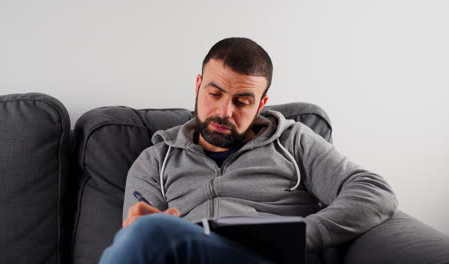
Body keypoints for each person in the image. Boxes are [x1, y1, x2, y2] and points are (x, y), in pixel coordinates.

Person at [99, 37, 398, 264]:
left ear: (260, 105)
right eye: (214, 94)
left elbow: (374, 191)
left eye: (242, 102)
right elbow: (137, 238)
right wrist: (153, 227)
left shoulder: (293, 141)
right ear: (198, 86)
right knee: (148, 231)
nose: (224, 111)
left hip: (270, 257)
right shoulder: (155, 160)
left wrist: (308, 233)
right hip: (196, 253)